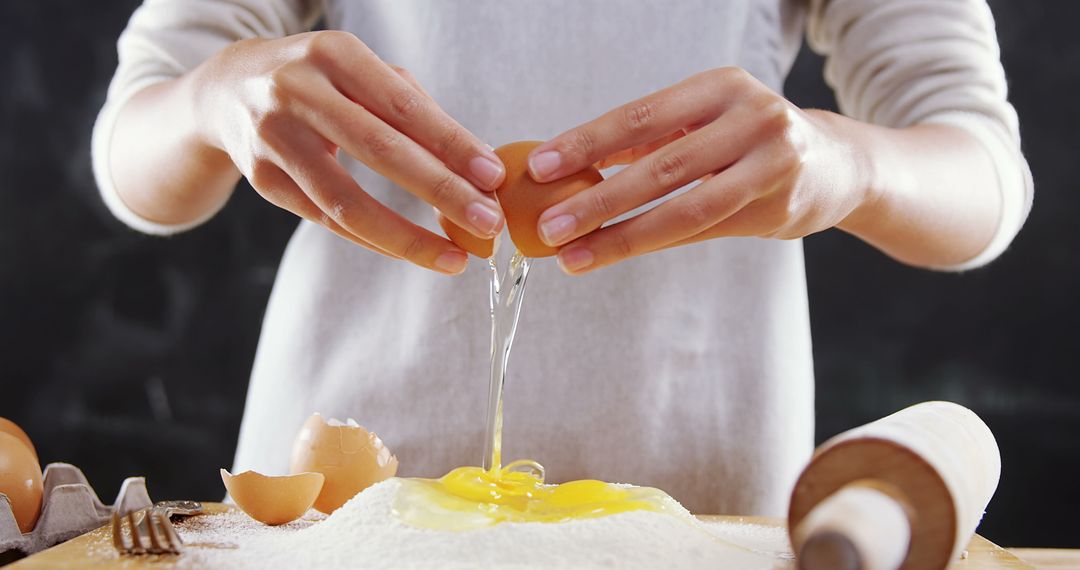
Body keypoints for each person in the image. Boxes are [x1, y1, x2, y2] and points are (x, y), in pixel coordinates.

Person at [92, 0, 1032, 516]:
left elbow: (983, 174)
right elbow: (136, 153)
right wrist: (212, 95)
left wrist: (849, 160)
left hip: (698, 496)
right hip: (344, 505)